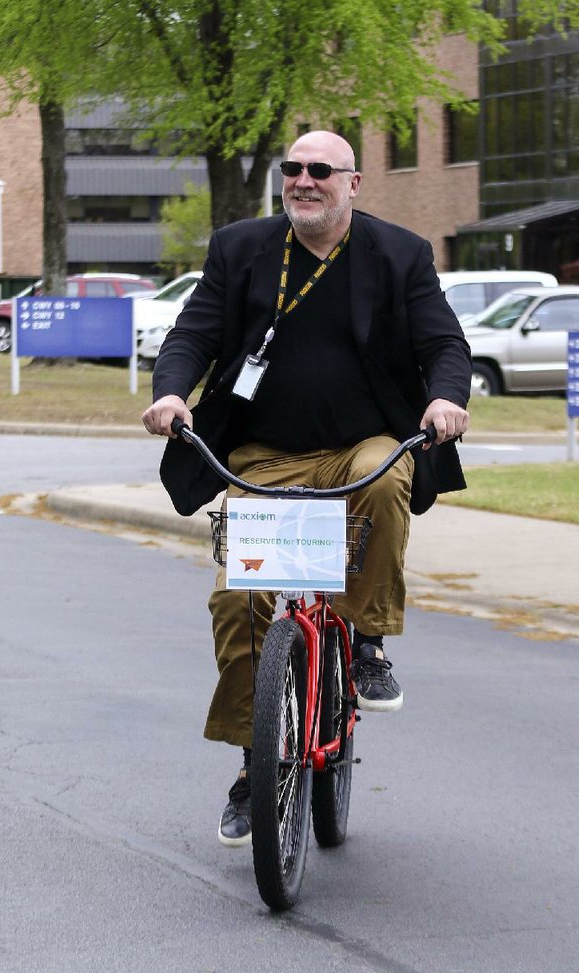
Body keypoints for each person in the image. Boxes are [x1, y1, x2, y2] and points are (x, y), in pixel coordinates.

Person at [142, 130, 471, 848]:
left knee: (380, 485)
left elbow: (444, 344)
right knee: (240, 599)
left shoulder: (400, 254)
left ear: (354, 184)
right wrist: (171, 394)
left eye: (321, 170)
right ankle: (254, 762)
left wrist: (445, 400)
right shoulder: (240, 248)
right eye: (292, 169)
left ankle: (368, 644)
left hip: (364, 445)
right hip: (265, 457)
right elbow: (192, 336)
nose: (303, 180)